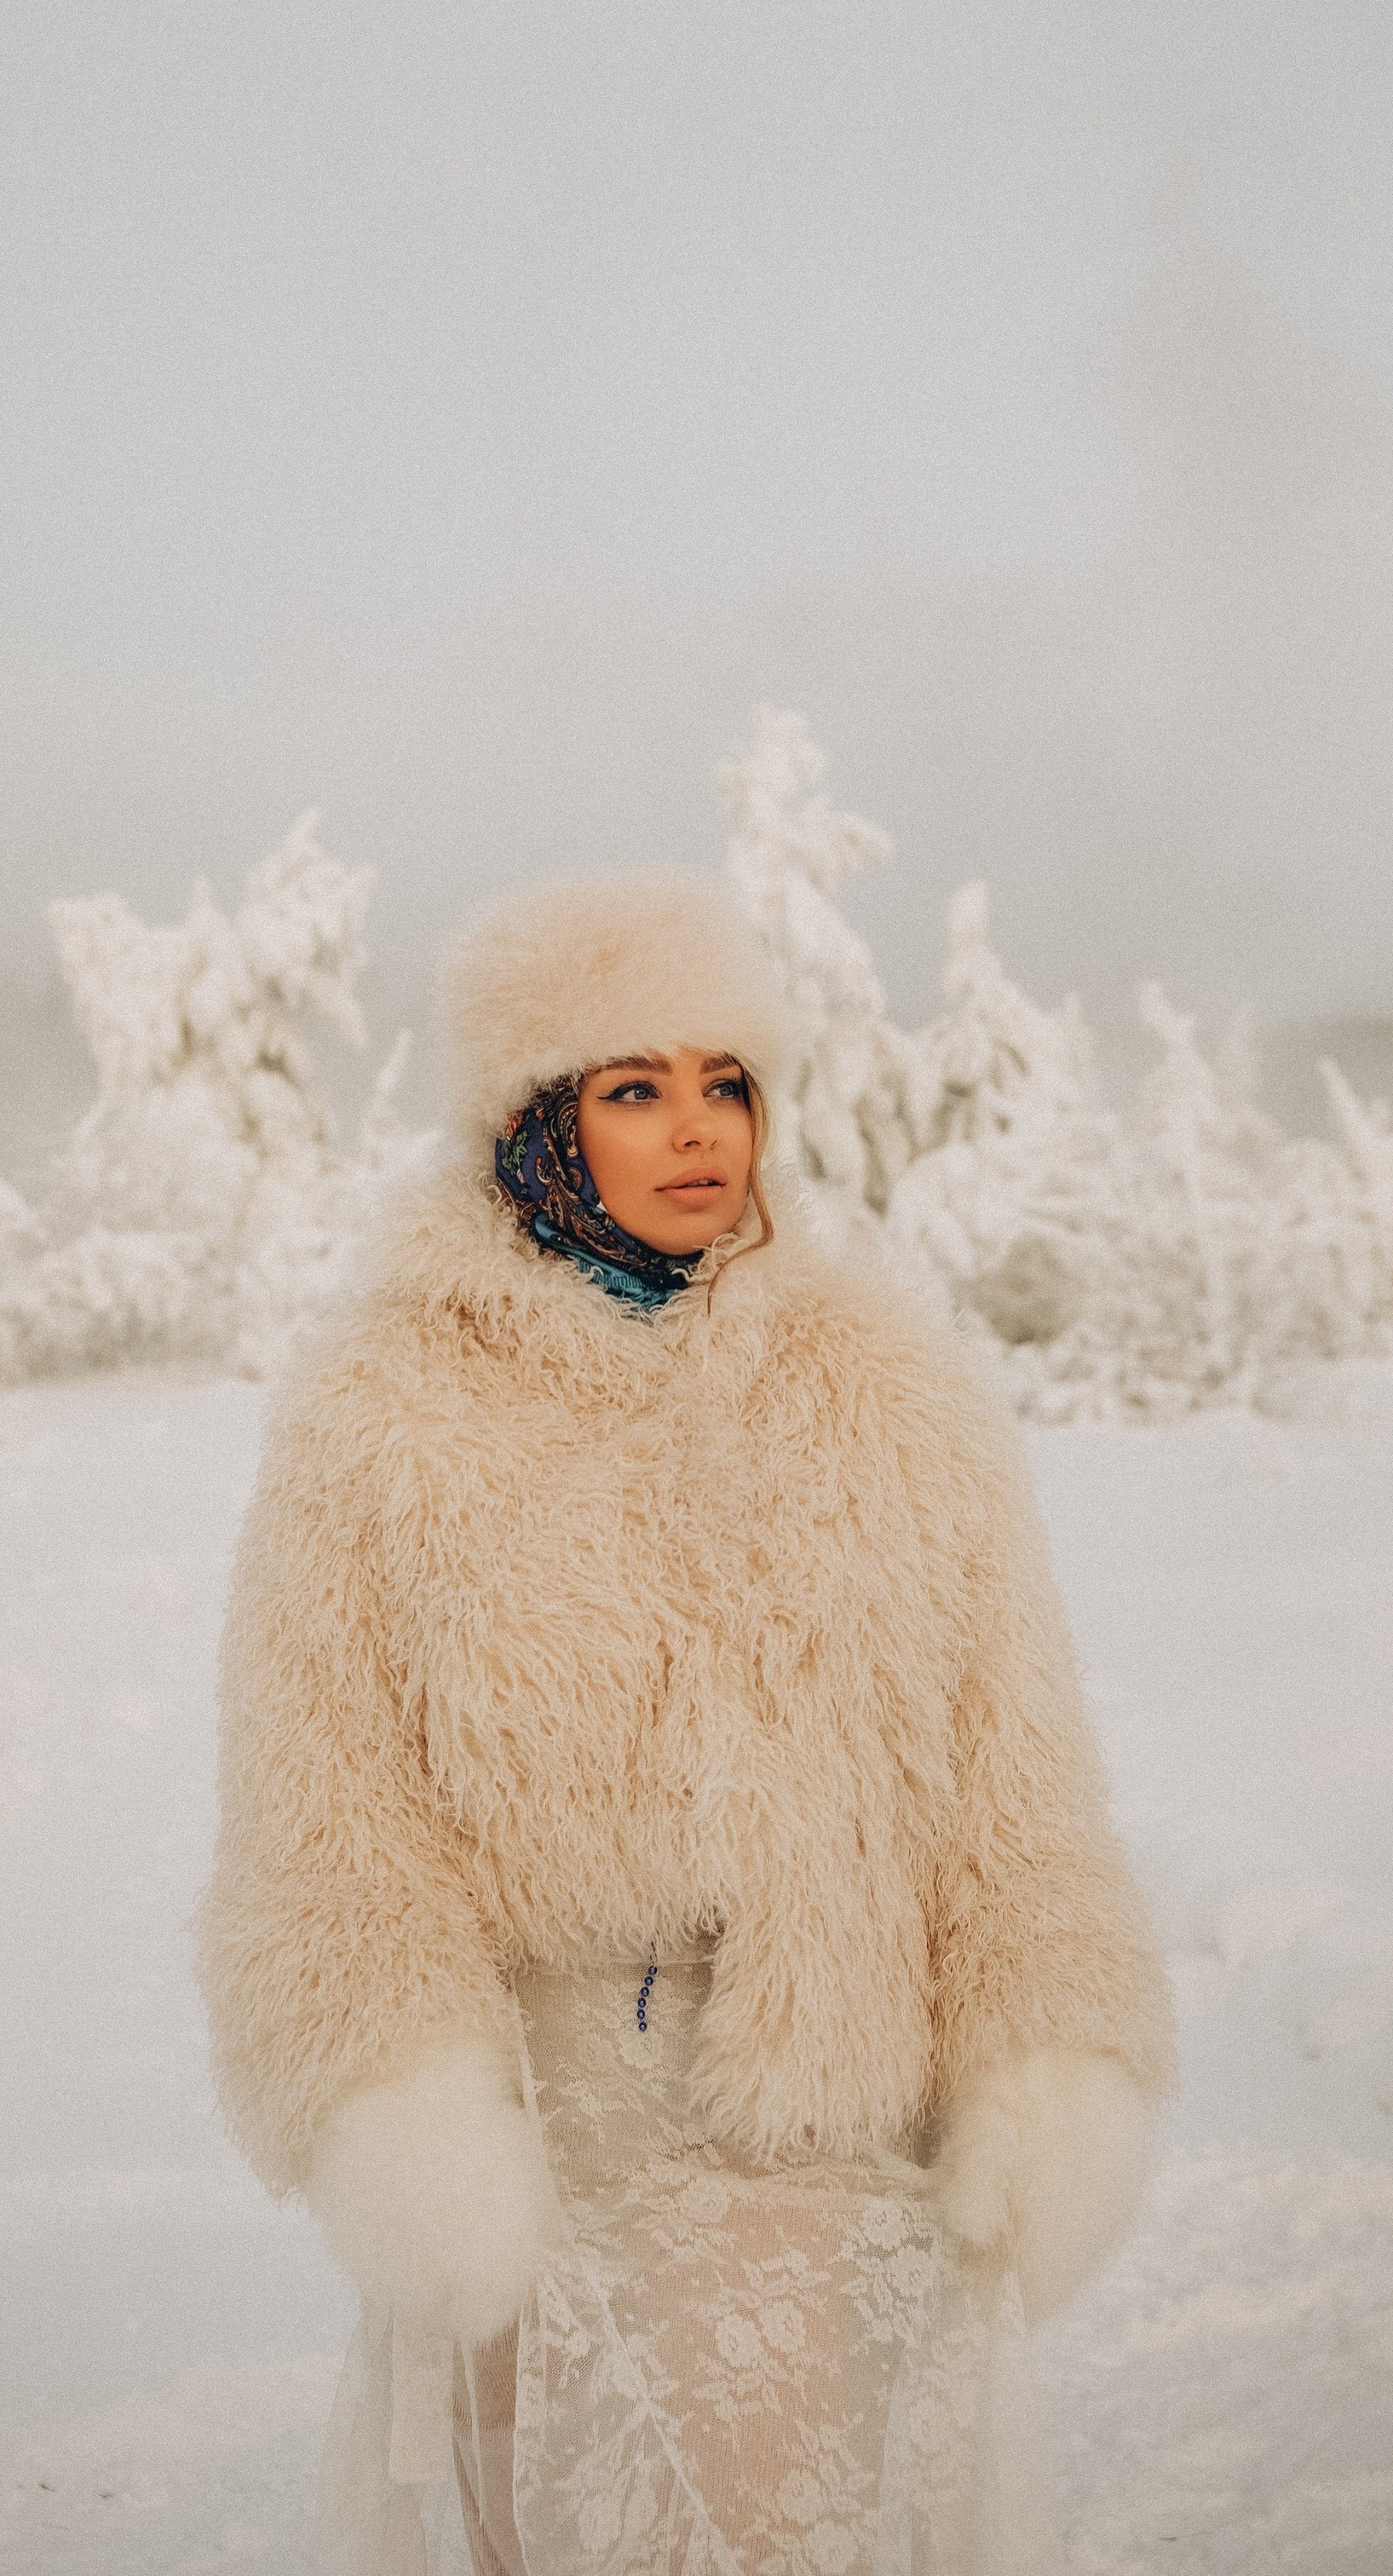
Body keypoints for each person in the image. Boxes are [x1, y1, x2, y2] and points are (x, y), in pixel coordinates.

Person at [203, 872, 1174, 2574]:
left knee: (776, 2516)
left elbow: (1010, 1782)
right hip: (539, 2114)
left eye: (725, 1081)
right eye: (634, 1087)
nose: (698, 1128)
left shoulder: (888, 1390)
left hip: (820, 2102)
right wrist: (400, 2101)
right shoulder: (383, 1412)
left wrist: (1043, 2043)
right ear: (536, 1122)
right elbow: (325, 1808)